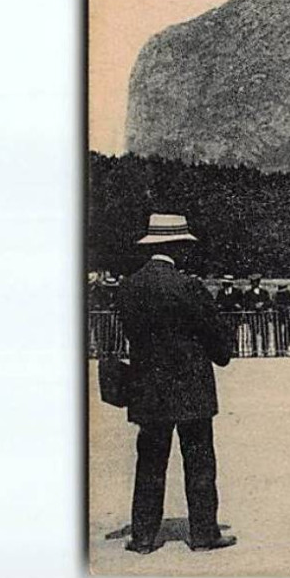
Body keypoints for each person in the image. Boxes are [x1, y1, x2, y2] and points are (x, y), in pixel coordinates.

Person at [115, 213, 236, 554]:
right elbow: (218, 343)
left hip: (147, 392)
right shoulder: (189, 287)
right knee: (198, 462)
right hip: (191, 391)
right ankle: (203, 534)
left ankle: (142, 538)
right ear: (177, 247)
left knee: (150, 464)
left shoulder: (129, 287)